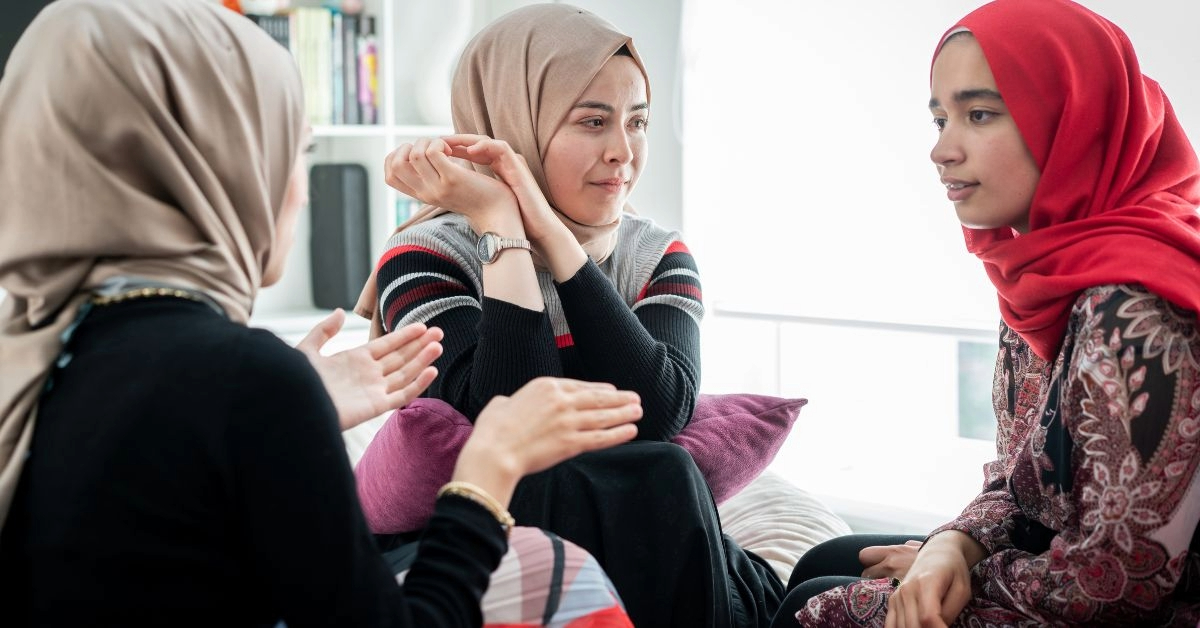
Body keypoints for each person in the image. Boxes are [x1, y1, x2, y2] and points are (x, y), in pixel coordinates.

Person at [0, 1, 644, 626]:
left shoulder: (29, 362)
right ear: (216, 168)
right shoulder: (243, 378)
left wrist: (284, 416)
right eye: (293, 151)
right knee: (549, 565)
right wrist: (485, 472)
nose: (300, 191)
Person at [352, 4, 784, 626]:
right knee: (640, 473)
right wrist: (503, 226)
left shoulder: (656, 254)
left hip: (653, 530)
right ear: (512, 121)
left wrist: (549, 233)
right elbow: (503, 414)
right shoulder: (423, 256)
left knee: (660, 468)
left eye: (636, 121)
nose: (622, 152)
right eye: (591, 121)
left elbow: (660, 409)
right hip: (486, 540)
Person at [774, 0, 1200, 626]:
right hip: (1058, 565)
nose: (941, 150)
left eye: (979, 115)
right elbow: (1022, 477)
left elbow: (1117, 583)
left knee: (816, 608)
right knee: (826, 559)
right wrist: (955, 543)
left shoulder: (1137, 306)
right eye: (940, 118)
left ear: (1072, 119)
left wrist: (965, 579)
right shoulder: (1047, 271)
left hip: (1136, 610)